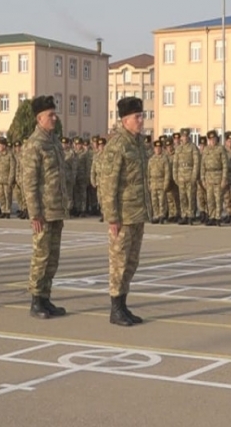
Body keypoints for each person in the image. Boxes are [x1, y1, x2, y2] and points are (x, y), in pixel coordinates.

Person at [96, 97, 152, 325]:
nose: (141, 120)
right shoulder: (117, 145)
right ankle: (115, 308)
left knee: (132, 261)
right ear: (125, 120)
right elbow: (109, 183)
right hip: (123, 215)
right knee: (118, 261)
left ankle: (124, 304)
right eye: (137, 117)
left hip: (137, 212)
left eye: (142, 116)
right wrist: (112, 216)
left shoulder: (137, 143)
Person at [20, 96, 71, 319]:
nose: (54, 117)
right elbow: (29, 182)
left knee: (53, 257)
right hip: (43, 211)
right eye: (50, 115)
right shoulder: (35, 144)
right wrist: (34, 213)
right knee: (41, 256)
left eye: (54, 113)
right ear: (40, 118)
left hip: (56, 208)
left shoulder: (54, 141)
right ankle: (36, 300)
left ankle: (46, 297)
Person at [148, 140, 171, 224]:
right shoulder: (151, 160)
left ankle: (162, 215)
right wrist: (148, 183)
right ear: (154, 149)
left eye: (159, 148)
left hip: (161, 181)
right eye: (156, 148)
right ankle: (156, 215)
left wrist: (166, 183)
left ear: (161, 149)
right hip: (153, 182)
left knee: (161, 200)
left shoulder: (164, 159)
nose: (157, 149)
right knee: (154, 201)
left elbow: (167, 172)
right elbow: (148, 172)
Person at [0, 137, 16, 218]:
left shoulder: (10, 155)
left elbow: (12, 168)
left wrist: (11, 179)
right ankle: (3, 210)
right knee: (1, 196)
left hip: (7, 180)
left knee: (8, 196)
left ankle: (8, 211)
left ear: (5, 146)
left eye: (1, 145)